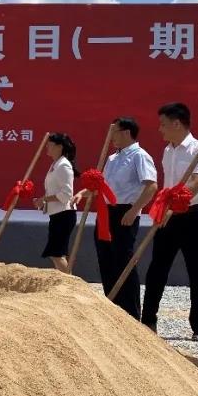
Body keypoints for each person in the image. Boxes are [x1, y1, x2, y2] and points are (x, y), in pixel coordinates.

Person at [141, 103, 198, 341]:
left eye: (163, 124)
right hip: (168, 216)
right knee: (157, 267)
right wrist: (166, 207)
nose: (160, 129)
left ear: (176, 123)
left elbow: (197, 182)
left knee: (197, 269)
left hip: (193, 215)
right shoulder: (168, 151)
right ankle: (148, 320)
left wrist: (174, 205)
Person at [81, 117, 157, 321]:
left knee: (123, 260)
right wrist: (84, 193)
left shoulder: (139, 156)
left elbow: (151, 186)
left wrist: (134, 210)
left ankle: (131, 312)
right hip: (106, 211)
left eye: (114, 132)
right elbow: (105, 187)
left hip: (125, 212)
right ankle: (112, 306)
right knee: (105, 258)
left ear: (126, 133)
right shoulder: (113, 158)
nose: (111, 136)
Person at [35, 132, 78, 272]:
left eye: (50, 145)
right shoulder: (55, 164)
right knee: (58, 253)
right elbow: (54, 190)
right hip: (57, 214)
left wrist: (44, 199)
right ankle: (66, 280)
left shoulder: (63, 165)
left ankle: (69, 281)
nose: (47, 147)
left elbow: (66, 194)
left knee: (56, 253)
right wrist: (43, 200)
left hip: (64, 214)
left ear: (59, 147)